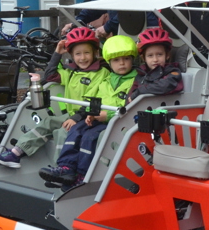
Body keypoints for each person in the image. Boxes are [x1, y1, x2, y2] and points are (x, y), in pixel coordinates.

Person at [0, 27, 109, 168]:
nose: (82, 58)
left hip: (88, 118)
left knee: (63, 132)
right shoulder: (71, 72)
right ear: (71, 55)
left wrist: (75, 118)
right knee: (48, 122)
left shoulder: (102, 73)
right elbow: (50, 75)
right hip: (72, 116)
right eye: (78, 54)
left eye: (87, 53)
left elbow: (94, 100)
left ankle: (62, 169)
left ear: (95, 52)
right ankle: (16, 153)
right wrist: (57, 53)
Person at [39, 35, 139, 187]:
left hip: (116, 121)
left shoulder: (135, 81)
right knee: (76, 129)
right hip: (98, 118)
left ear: (133, 60)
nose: (122, 63)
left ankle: (82, 175)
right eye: (116, 60)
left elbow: (132, 107)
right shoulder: (107, 80)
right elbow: (95, 100)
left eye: (126, 59)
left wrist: (108, 115)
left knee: (89, 137)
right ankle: (66, 168)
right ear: (110, 62)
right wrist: (90, 114)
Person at [127, 27, 184, 102]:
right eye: (150, 55)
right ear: (143, 58)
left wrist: (140, 91)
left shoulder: (173, 72)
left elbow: (165, 85)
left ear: (167, 55)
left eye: (159, 54)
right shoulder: (141, 75)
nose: (155, 59)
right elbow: (130, 97)